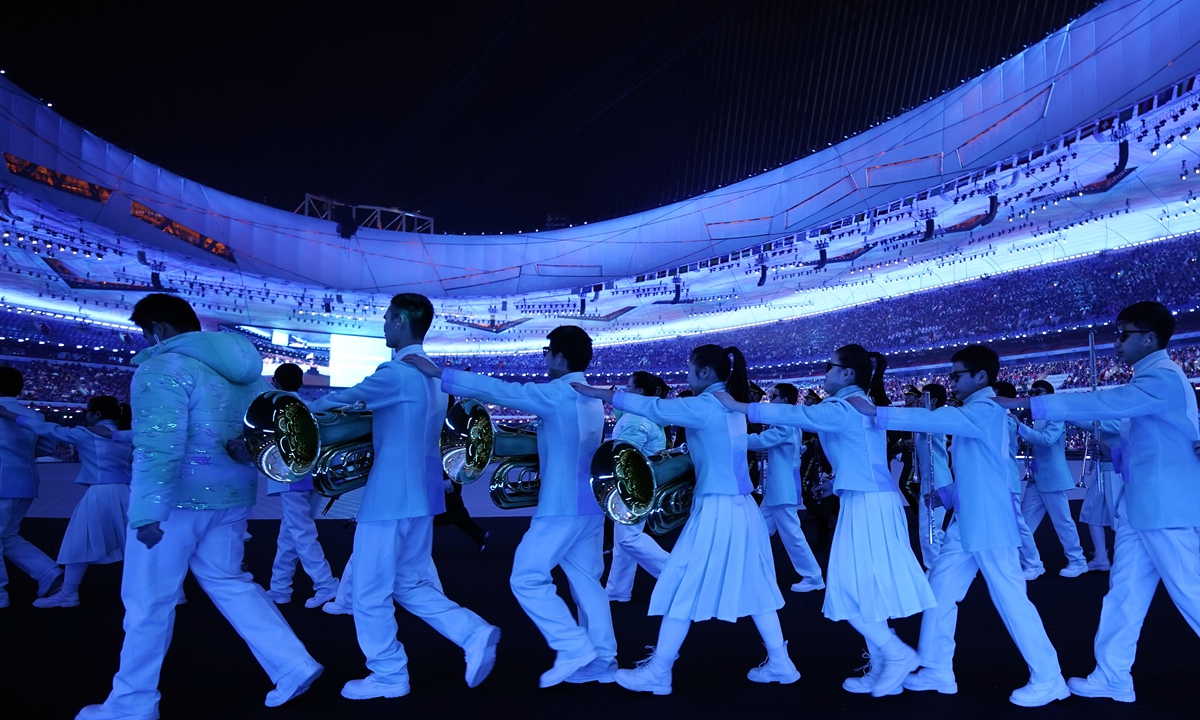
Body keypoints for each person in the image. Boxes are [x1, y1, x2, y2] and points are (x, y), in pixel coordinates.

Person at [78, 294, 322, 720]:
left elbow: (159, 445)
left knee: (147, 600)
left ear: (156, 329)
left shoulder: (162, 367)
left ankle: (132, 703)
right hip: (231, 500)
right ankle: (293, 664)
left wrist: (146, 512)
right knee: (230, 582)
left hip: (176, 503)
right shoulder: (248, 375)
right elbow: (268, 432)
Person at [996, 302, 1200, 703]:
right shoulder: (1153, 380)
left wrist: (1026, 404)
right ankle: (1112, 676)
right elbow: (1115, 418)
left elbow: (1111, 403)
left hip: (1163, 508)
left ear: (1150, 338)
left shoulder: (1161, 378)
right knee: (1123, 595)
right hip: (1142, 506)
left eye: (1125, 333)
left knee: (1192, 591)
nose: (1117, 340)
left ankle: (1112, 674)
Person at [851, 345, 1069, 707]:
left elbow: (938, 421)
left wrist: (878, 413)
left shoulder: (983, 409)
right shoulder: (977, 411)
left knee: (1012, 600)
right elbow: (980, 466)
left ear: (980, 376)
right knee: (939, 589)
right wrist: (949, 495)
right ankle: (937, 668)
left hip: (989, 523)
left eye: (956, 375)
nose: (950, 382)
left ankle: (1049, 678)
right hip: (969, 521)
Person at [575, 345, 797, 695]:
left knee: (681, 582)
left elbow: (652, 405)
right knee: (756, 586)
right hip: (742, 508)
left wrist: (598, 393)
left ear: (706, 373)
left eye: (691, 371)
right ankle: (781, 662)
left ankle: (660, 670)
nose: (687, 377)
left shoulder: (705, 405)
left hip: (717, 509)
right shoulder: (728, 406)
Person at [405, 326, 617, 688]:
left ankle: (571, 646)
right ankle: (604, 659)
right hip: (589, 507)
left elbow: (498, 390)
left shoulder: (555, 394)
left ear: (560, 357)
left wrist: (440, 373)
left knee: (526, 577)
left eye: (548, 351)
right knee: (588, 584)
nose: (545, 357)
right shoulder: (590, 397)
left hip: (561, 507)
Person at [717, 344, 933, 698]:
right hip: (869, 500)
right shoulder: (855, 403)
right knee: (865, 590)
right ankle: (884, 667)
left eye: (829, 366)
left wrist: (740, 406)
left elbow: (798, 416)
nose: (824, 373)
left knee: (849, 588)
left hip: (868, 506)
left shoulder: (841, 406)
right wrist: (836, 482)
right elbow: (863, 455)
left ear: (847, 373)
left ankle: (895, 655)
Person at [312, 294, 500, 700]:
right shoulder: (433, 377)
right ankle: (472, 632)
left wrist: (297, 413)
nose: (382, 326)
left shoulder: (395, 373)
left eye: (385, 319)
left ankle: (389, 674)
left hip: (389, 500)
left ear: (399, 321)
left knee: (368, 591)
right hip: (424, 496)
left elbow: (338, 401)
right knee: (409, 584)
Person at [0, 396, 132, 608]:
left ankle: (68, 592)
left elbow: (45, 429)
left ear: (96, 414)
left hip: (100, 493)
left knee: (78, 543)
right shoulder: (127, 434)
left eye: (86, 411)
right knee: (141, 546)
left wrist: (7, 414)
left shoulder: (86, 433)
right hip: (129, 492)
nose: (85, 416)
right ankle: (172, 592)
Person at [263, 363, 340, 609]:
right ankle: (280, 588)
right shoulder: (308, 407)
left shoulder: (275, 409)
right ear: (302, 382)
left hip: (290, 479)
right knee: (290, 534)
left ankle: (326, 583)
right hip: (313, 477)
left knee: (301, 533)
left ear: (274, 381)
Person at [746, 382, 824, 592]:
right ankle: (750, 570)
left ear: (785, 400)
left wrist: (732, 439)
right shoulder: (789, 422)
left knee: (792, 534)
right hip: (778, 490)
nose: (770, 400)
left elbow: (761, 441)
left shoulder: (784, 424)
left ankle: (814, 577)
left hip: (782, 490)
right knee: (756, 530)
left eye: (775, 396)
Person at [604, 371, 671, 603]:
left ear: (640, 392)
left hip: (632, 485)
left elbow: (624, 454)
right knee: (624, 540)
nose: (625, 389)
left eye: (629, 386)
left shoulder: (637, 420)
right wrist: (611, 399)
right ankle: (617, 590)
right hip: (640, 483)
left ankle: (676, 575)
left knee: (628, 539)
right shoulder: (644, 414)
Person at [0, 366, 62, 609]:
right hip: (24, 482)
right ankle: (50, 573)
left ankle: (1, 595)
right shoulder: (33, 415)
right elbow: (47, 449)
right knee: (8, 535)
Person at [1015, 381, 1088, 578]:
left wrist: (1019, 427)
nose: (1033, 395)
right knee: (1023, 524)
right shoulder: (1040, 416)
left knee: (1063, 522)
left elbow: (1046, 440)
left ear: (1049, 394)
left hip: (1052, 477)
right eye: (1031, 392)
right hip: (1038, 479)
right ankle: (1031, 563)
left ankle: (1077, 560)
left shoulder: (1055, 416)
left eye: (1037, 392)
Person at [1071, 419, 1123, 571]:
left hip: (1116, 470)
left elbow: (1098, 425)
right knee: (1092, 512)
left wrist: (1068, 416)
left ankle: (1125, 558)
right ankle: (1101, 557)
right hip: (1103, 469)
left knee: (1119, 516)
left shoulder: (1121, 417)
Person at [911, 384, 951, 570]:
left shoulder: (934, 419)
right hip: (933, 478)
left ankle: (934, 569)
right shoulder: (930, 419)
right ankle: (944, 566)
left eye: (921, 397)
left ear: (932, 400)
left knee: (929, 529)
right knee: (936, 528)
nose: (917, 400)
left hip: (937, 479)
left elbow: (912, 421)